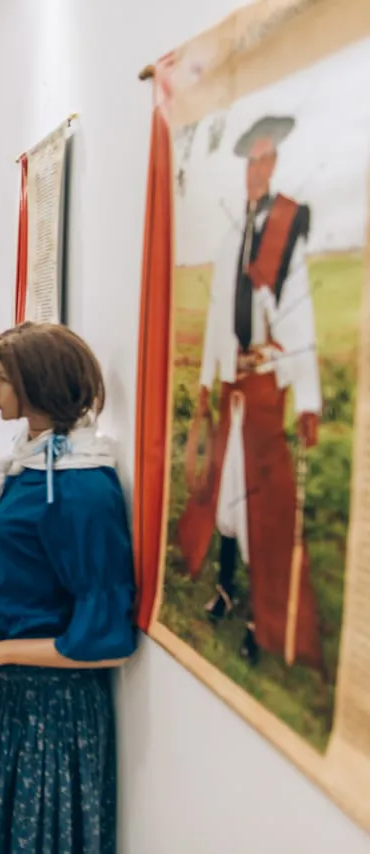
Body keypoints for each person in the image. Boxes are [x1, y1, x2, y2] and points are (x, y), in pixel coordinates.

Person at [0, 322, 136, 854]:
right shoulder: (27, 466)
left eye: (1, 379)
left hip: (51, 713)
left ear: (36, 386)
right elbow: (10, 567)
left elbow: (103, 637)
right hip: (4, 699)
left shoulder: (82, 487)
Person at [176, 114, 323, 669]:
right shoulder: (233, 231)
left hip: (265, 386)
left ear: (275, 164)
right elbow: (219, 315)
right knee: (226, 493)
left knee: (264, 502)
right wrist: (210, 383)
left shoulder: (287, 228)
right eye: (250, 161)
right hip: (233, 385)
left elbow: (299, 312)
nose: (256, 169)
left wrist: (306, 398)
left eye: (265, 159)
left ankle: (265, 617)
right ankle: (227, 589)